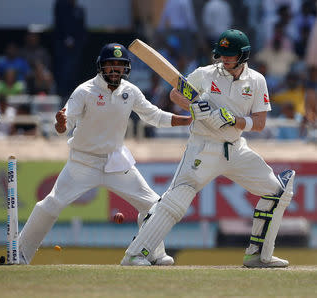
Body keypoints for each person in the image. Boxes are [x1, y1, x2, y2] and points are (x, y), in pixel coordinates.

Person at [121, 29, 295, 268]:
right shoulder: (204, 74)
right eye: (221, 54)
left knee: (277, 192)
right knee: (178, 198)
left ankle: (258, 256)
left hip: (235, 148)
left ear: (243, 56)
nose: (224, 59)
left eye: (230, 55)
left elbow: (260, 123)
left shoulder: (256, 80)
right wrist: (193, 108)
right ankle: (135, 254)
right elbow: (176, 93)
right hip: (203, 147)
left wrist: (234, 121)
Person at [17, 43, 192, 265]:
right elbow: (66, 123)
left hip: (116, 161)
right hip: (82, 163)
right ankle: (20, 254)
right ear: (101, 67)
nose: (115, 70)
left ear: (126, 68)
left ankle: (152, 253)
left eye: (120, 66)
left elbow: (154, 116)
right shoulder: (84, 91)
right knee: (51, 204)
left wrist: (189, 120)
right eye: (111, 65)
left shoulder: (130, 91)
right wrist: (60, 124)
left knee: (154, 206)